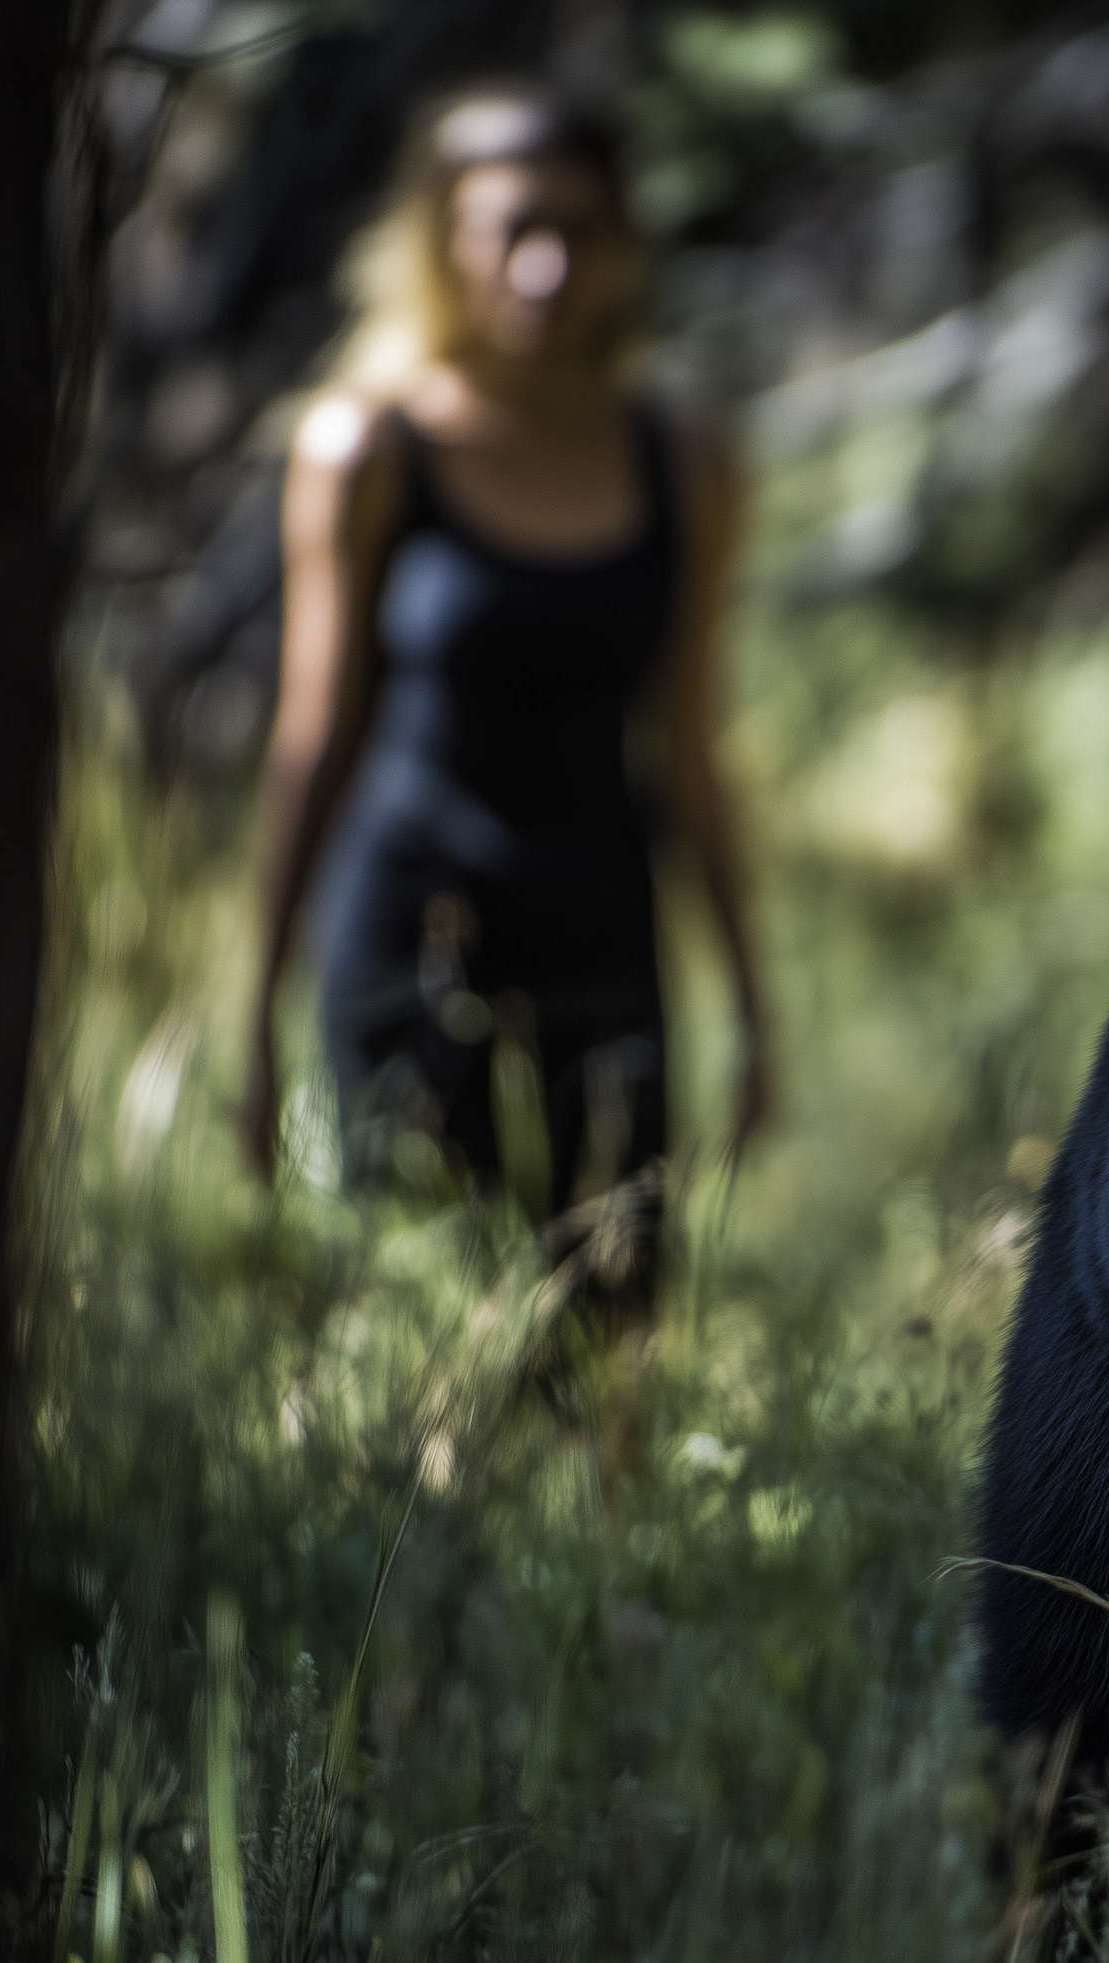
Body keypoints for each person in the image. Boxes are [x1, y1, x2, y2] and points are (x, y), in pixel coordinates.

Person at [240, 87, 766, 1213]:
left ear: (624, 244)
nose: (545, 265)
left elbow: (686, 746)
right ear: (443, 245)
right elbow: (312, 735)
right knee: (417, 1335)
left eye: (578, 228)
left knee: (605, 1348)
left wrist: (755, 1002)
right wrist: (251, 1019)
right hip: (411, 949)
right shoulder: (367, 450)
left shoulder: (683, 463)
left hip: (604, 946)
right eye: (511, 229)